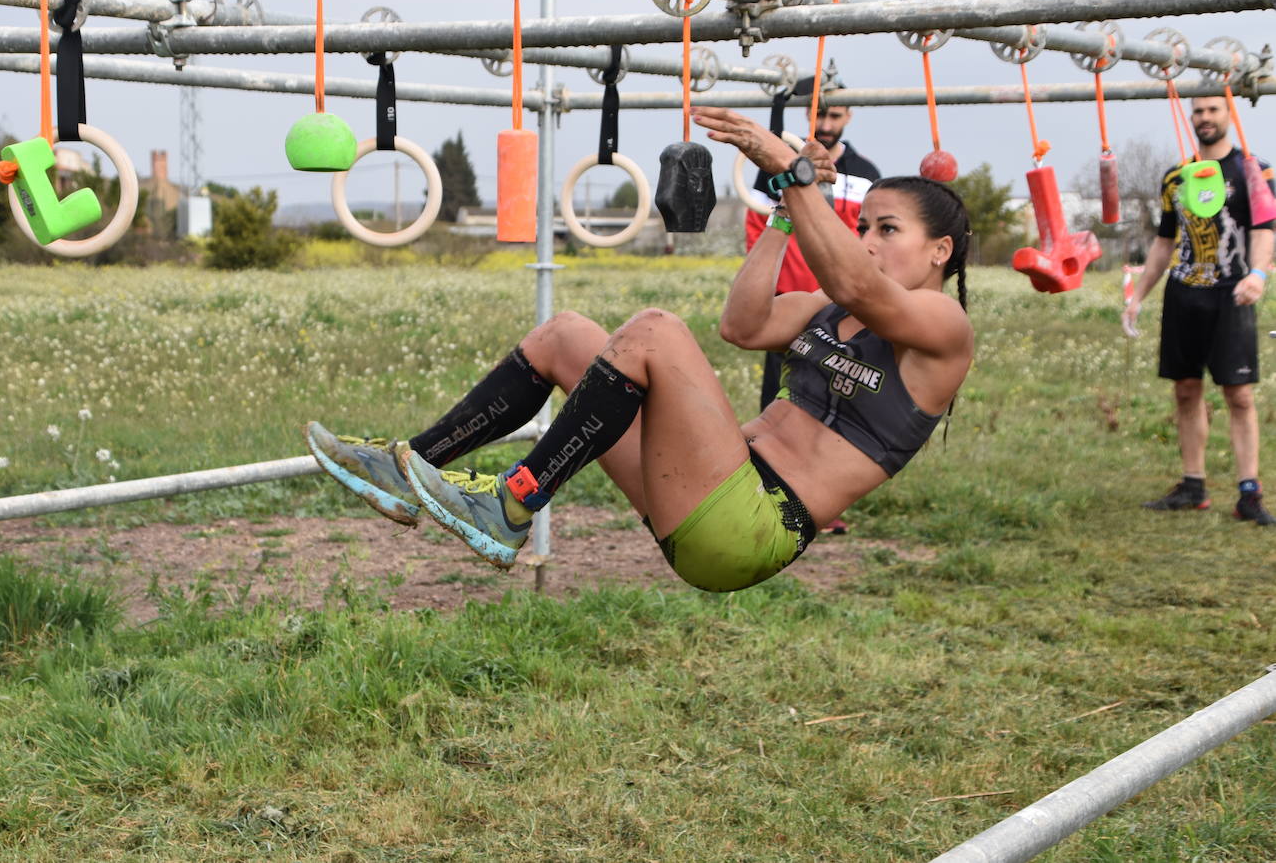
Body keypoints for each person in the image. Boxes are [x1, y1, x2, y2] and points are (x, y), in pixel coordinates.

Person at [305, 106, 973, 592]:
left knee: (654, 330)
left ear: (940, 251)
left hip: (755, 525)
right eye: (862, 225)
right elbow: (741, 327)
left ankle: (514, 501)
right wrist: (781, 211)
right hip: (711, 488)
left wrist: (795, 171)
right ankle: (412, 467)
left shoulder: (944, 329)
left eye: (888, 229)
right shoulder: (827, 311)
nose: (867, 241)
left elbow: (853, 278)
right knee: (566, 335)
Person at [1123, 95, 1275, 525]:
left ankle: (1249, 493)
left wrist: (1258, 275)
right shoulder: (1176, 177)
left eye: (1212, 110)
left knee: (1239, 395)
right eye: (1198, 111)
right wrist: (1139, 296)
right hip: (1184, 294)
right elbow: (1165, 241)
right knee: (1186, 390)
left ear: (1229, 114)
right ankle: (1194, 486)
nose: (1204, 118)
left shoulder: (1255, 171)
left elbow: (1265, 229)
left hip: (1233, 293)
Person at [745, 101, 882, 409]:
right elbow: (756, 228)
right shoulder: (777, 167)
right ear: (808, 113)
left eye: (835, 116)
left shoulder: (866, 173)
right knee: (776, 395)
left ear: (849, 115)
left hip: (840, 307)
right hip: (785, 301)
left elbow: (869, 241)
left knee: (834, 396)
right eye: (820, 114)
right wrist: (769, 286)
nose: (826, 125)